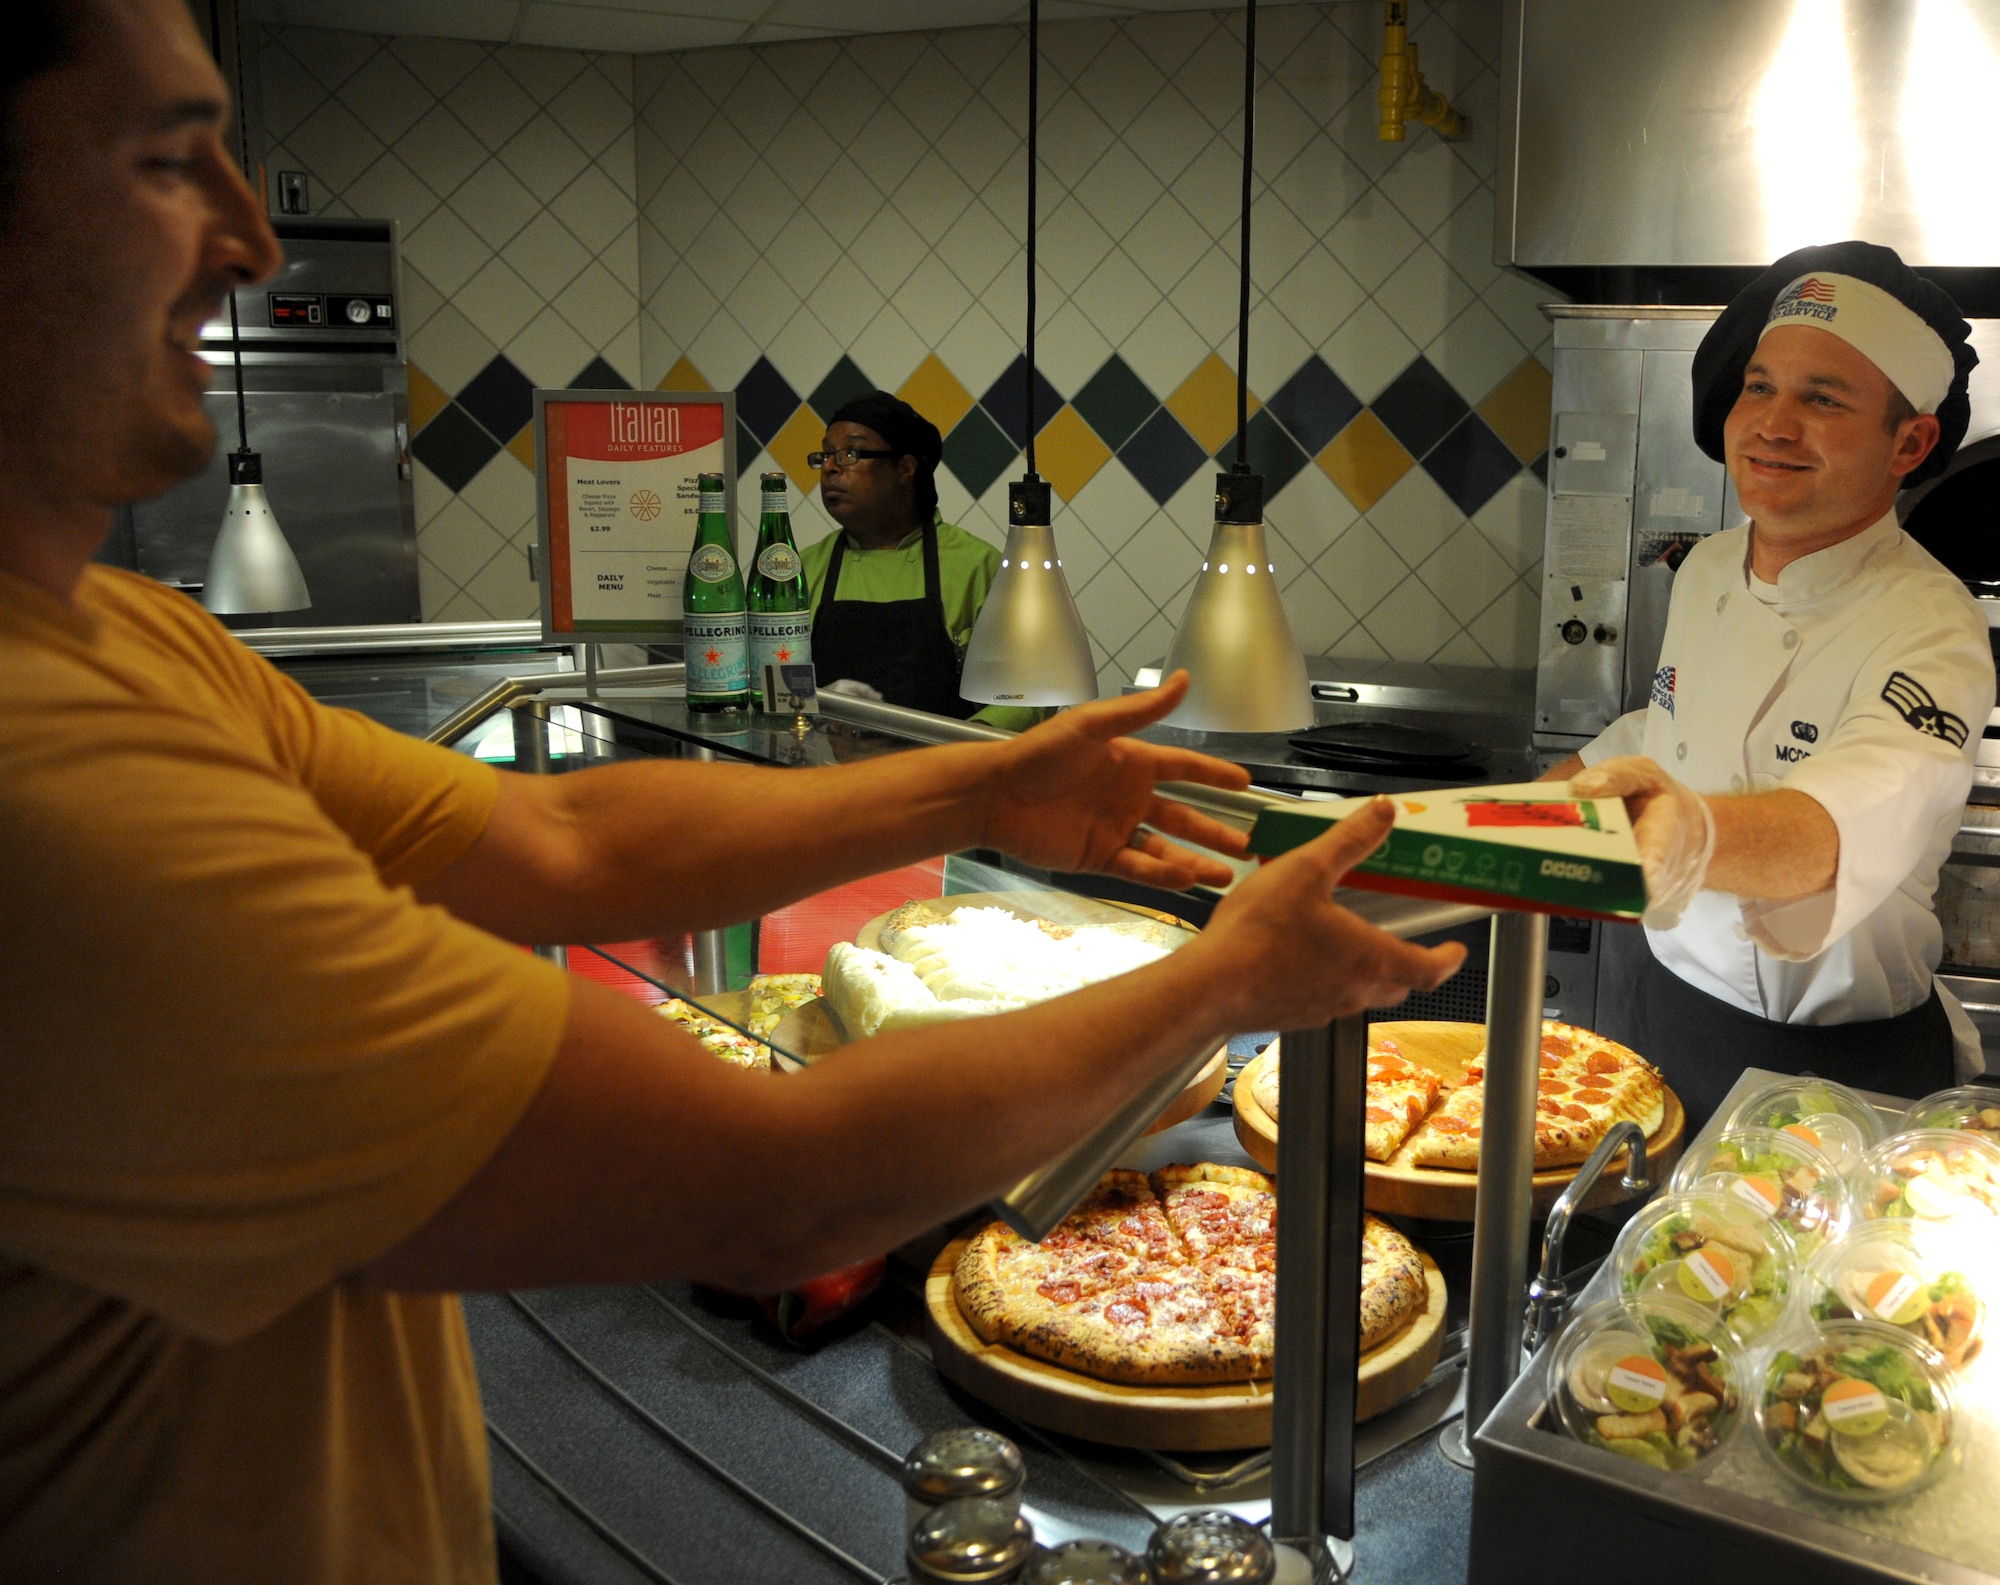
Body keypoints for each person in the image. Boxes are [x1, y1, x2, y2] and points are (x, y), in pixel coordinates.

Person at [0, 3, 1466, 1579]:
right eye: (166, 162)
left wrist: (971, 790)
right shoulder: (52, 791)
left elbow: (559, 834)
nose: (252, 241)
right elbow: (774, 1188)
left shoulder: (125, 640)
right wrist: (1223, 975)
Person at [1544, 241, 1993, 1129]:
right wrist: (1516, 814)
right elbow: (1670, 726)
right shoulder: (1711, 566)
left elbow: (1850, 817)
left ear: (1911, 441)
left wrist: (1688, 836)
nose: (1772, 424)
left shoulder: (1934, 624)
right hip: (1669, 1019)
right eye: (1760, 386)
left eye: (1822, 398)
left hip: (1840, 1074)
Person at [805, 391, 1044, 729]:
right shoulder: (801, 570)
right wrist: (812, 704)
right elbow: (763, 685)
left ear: (905, 468)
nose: (830, 466)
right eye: (827, 454)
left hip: (949, 775)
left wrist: (969, 744)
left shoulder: (977, 566)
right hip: (828, 776)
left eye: (850, 453)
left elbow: (1030, 689)